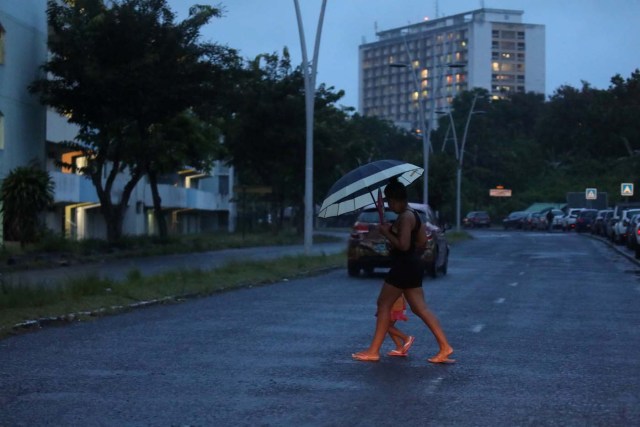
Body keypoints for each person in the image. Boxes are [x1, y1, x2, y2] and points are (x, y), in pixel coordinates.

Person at [352, 178, 454, 363]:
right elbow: (422, 241)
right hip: (413, 265)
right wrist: (389, 232)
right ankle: (445, 347)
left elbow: (404, 244)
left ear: (395, 199)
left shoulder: (405, 217)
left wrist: (387, 233)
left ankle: (374, 351)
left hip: (404, 267)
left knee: (383, 304)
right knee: (420, 308)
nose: (389, 207)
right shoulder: (413, 214)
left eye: (389, 202)